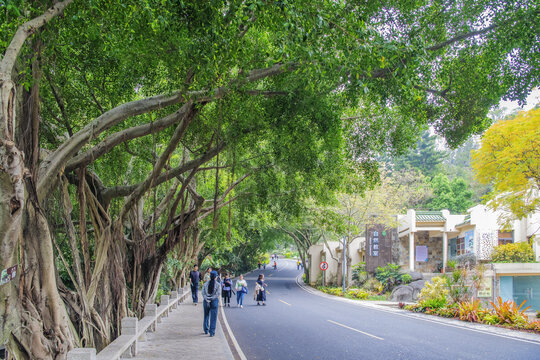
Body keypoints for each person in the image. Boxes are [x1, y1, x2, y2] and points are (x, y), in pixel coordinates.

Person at [202, 271, 220, 337]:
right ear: (216, 277)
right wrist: (212, 298)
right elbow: (218, 294)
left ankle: (206, 330)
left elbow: (203, 292)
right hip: (214, 301)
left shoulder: (205, 284)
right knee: (213, 317)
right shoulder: (218, 285)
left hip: (206, 301)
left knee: (206, 315)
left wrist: (207, 298)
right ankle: (212, 332)